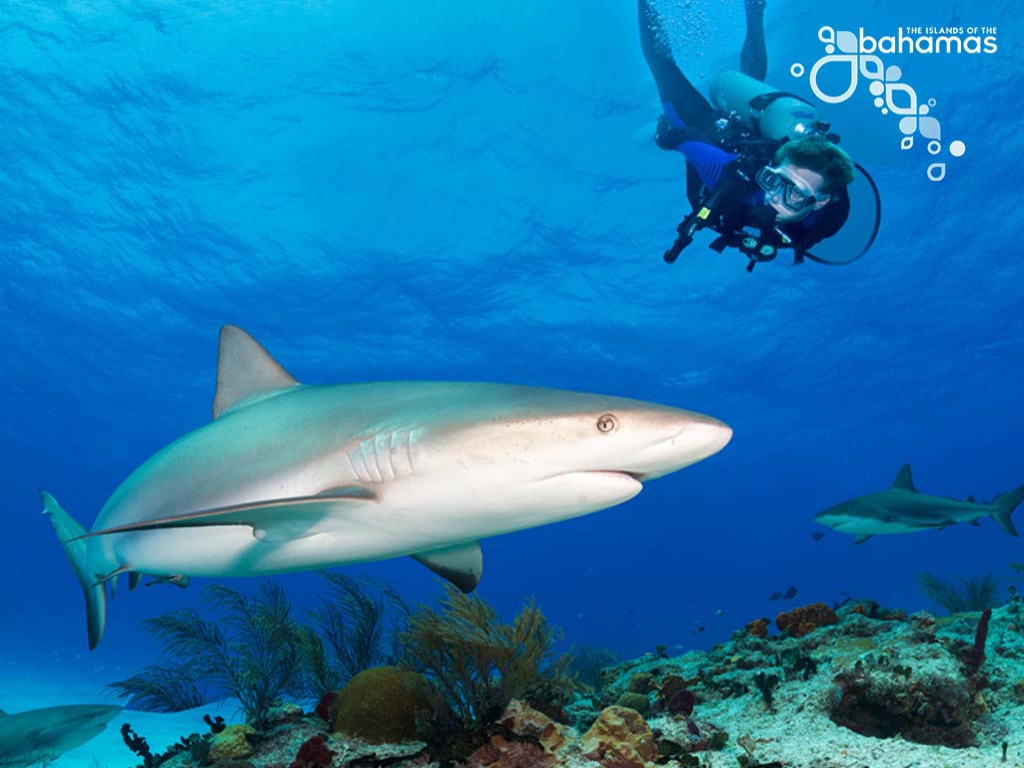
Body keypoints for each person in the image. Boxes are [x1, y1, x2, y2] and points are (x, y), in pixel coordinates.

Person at [638, 0, 860, 269]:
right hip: (723, 140)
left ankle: (754, 11)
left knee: (752, 89)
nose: (774, 197)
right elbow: (685, 138)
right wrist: (667, 139)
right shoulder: (733, 176)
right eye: (773, 180)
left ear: (821, 201)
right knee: (662, 68)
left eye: (795, 195)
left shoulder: (820, 227)